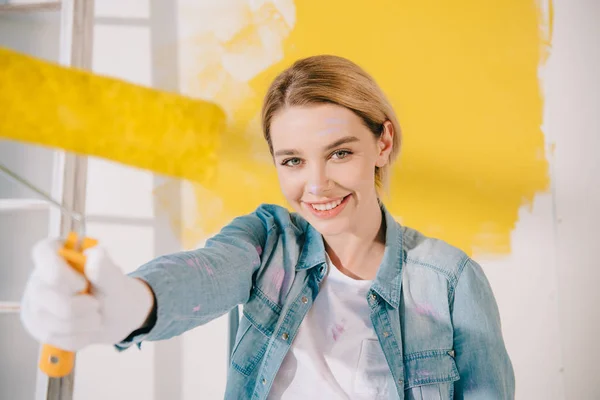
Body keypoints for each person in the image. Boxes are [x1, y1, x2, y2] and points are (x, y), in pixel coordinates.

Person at [20, 55, 515, 399]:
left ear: (383, 143)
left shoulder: (449, 281)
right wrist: (131, 303)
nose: (316, 184)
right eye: (293, 160)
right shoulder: (269, 243)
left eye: (340, 152)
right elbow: (207, 272)